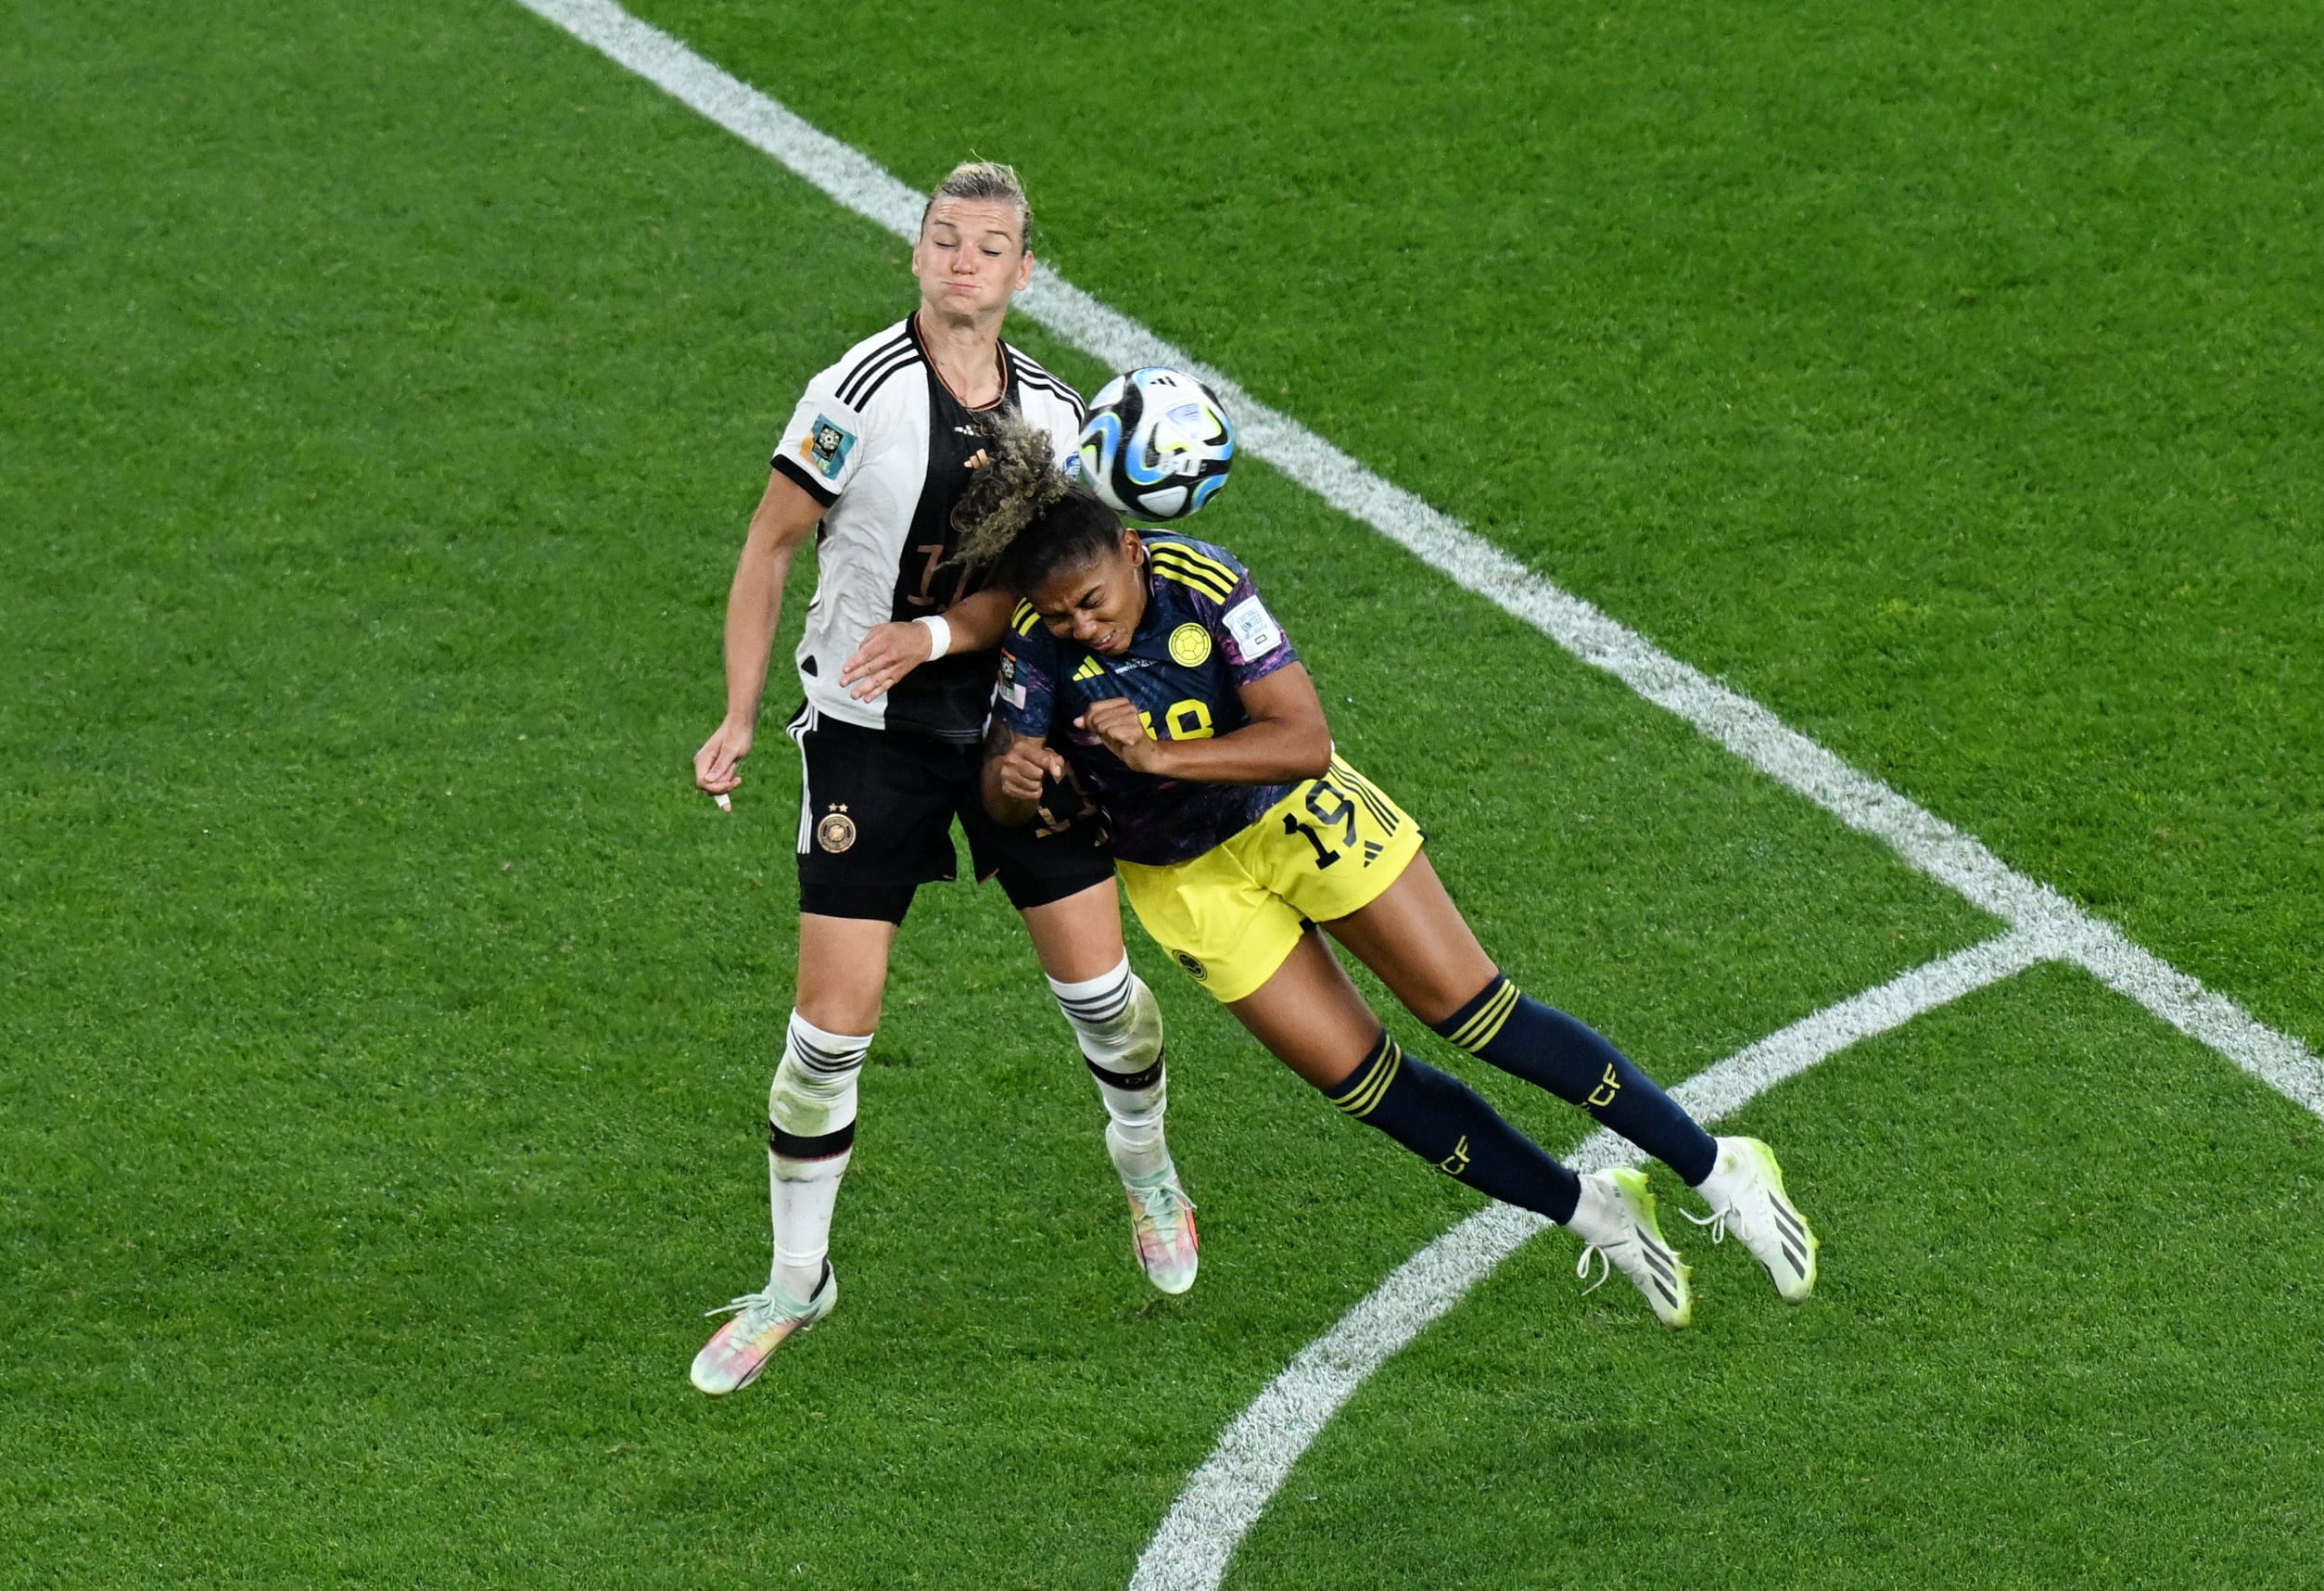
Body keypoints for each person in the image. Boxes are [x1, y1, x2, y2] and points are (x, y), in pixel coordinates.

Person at [967, 412, 1818, 1326]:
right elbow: (1003, 793)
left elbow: (1301, 740)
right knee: (1361, 1083)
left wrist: (1160, 759)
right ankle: (1592, 1210)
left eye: (1091, 602)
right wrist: (1011, 780)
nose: (1079, 628)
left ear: (1130, 553)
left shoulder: (1204, 584)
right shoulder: (1035, 641)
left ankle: (1716, 1166)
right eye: (1060, 615)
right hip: (1183, 878)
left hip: (1292, 814)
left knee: (1475, 1012)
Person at [687, 163, 1197, 1398]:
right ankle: (795, 1281)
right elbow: (767, 548)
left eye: (986, 246)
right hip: (867, 728)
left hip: (1015, 723)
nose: (959, 260)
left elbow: (1048, 592)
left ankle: (1144, 1165)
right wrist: (740, 714)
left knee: (1107, 1002)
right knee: (825, 1036)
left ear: (1023, 274)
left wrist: (941, 638)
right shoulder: (848, 395)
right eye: (941, 238)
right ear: (916, 253)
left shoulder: (1056, 416)